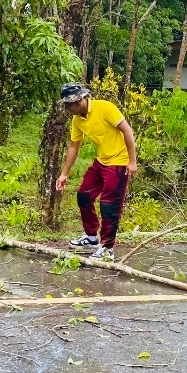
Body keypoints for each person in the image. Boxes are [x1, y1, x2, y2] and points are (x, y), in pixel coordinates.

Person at [54, 82, 138, 261]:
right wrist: (64, 174)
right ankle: (91, 237)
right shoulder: (78, 120)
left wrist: (132, 162)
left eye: (69, 104)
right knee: (84, 195)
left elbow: (127, 131)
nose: (68, 108)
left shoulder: (105, 108)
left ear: (80, 100)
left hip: (119, 163)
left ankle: (108, 248)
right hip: (102, 161)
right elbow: (74, 146)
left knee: (109, 206)